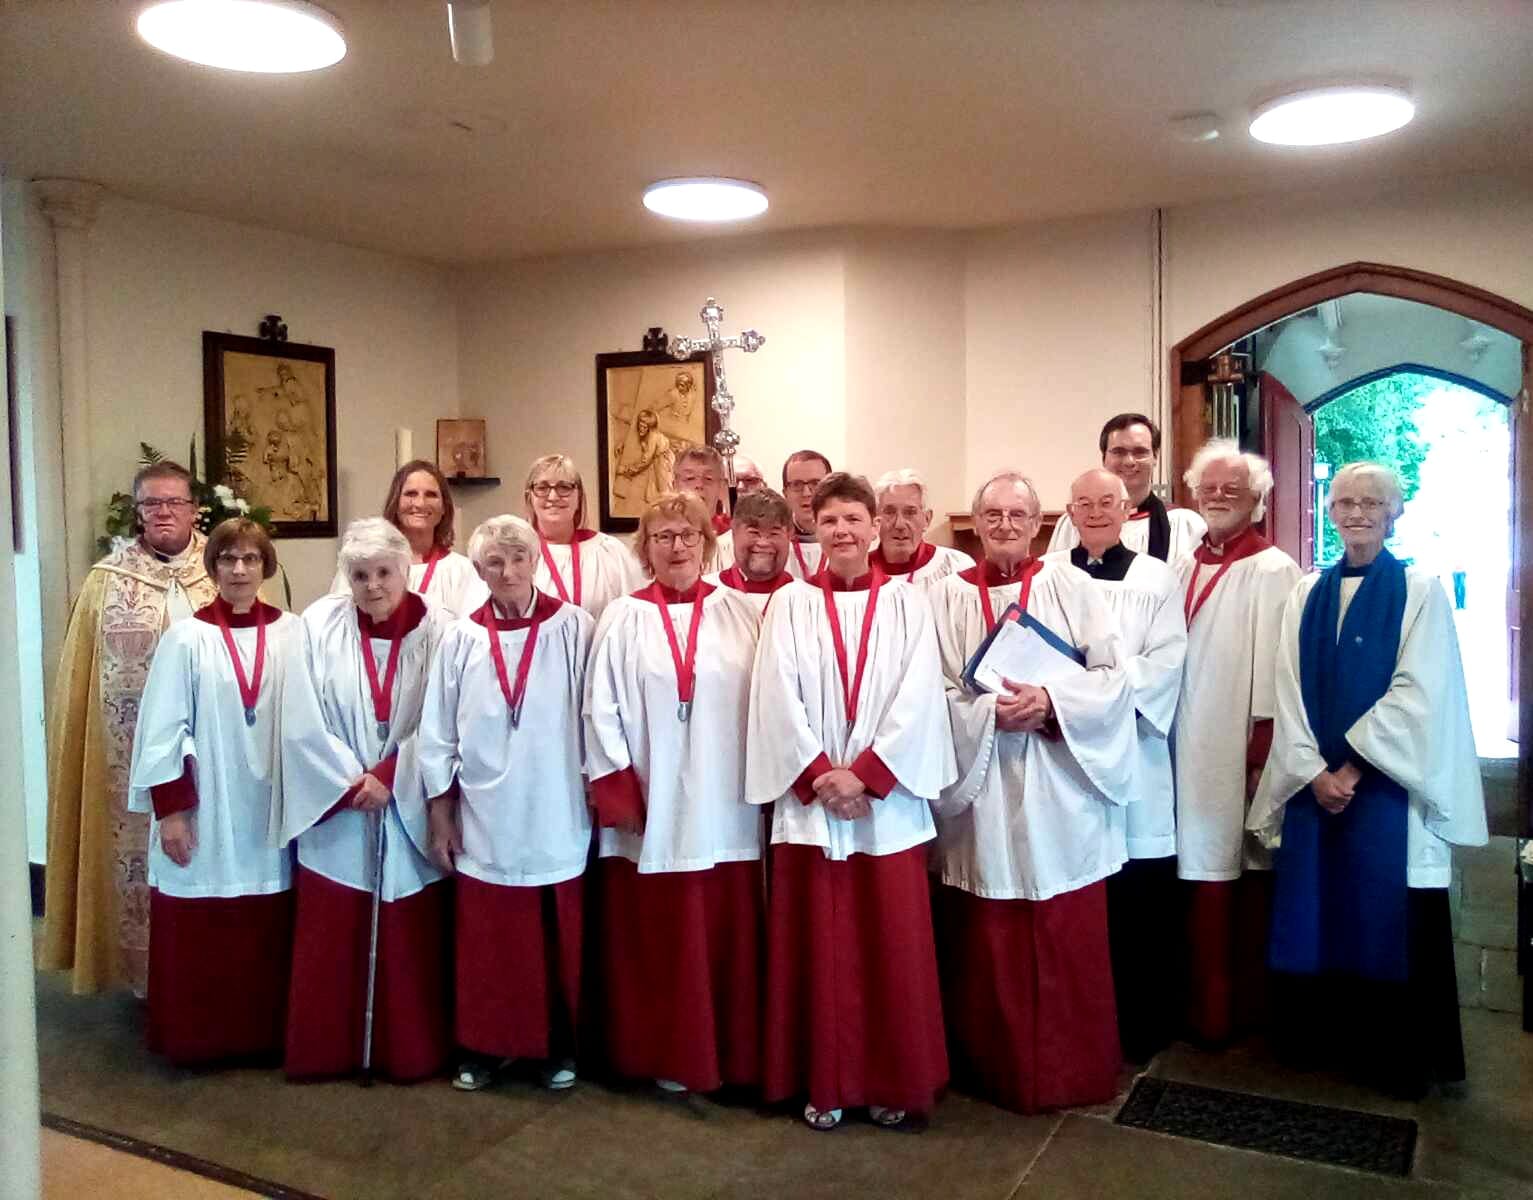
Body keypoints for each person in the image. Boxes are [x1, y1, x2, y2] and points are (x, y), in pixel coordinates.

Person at [1249, 463, 1487, 1097]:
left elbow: (1419, 691)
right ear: (1329, 512)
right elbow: (1288, 686)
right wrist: (1310, 769)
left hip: (1384, 791)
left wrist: (1351, 768)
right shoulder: (1306, 592)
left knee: (1385, 911)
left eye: (1371, 503)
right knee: (1315, 906)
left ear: (1394, 513)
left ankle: (1391, 1055)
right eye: (1344, 503)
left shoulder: (1420, 590)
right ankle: (1319, 1041)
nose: (1356, 513)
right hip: (1315, 783)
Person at [748, 472, 955, 1131]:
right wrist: (817, 774)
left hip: (883, 808)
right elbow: (774, 696)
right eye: (829, 519)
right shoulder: (789, 604)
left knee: (888, 948)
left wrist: (865, 774)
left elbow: (920, 695)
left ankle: (891, 1080)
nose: (841, 530)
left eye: (853, 519)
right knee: (819, 946)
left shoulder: (905, 603)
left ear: (873, 529)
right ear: (815, 527)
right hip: (812, 807)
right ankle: (825, 1080)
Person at [929, 470, 1136, 1113]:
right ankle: (995, 1072)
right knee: (988, 932)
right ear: (977, 522)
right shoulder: (943, 597)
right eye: (993, 515)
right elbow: (930, 693)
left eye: (1019, 515)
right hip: (983, 789)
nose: (1006, 526)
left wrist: (1052, 701)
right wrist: (985, 715)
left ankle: (1071, 1072)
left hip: (1058, 787)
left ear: (1041, 522)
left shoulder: (1070, 584)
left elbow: (1112, 677)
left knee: (1062, 925)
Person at [583, 492, 765, 1095]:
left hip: (725, 801)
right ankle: (657, 1051)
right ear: (645, 549)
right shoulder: (622, 616)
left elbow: (770, 700)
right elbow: (598, 710)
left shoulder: (740, 612)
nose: (677, 545)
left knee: (723, 929)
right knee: (655, 935)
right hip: (651, 802)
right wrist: (618, 792)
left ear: (707, 543)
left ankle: (729, 1054)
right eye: (662, 536)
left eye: (687, 534)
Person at [418, 515, 595, 1093]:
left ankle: (556, 1049)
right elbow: (438, 733)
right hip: (484, 813)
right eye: (495, 562)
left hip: (555, 805)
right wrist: (441, 813)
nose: (509, 571)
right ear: (478, 571)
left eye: (519, 559)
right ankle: (483, 1048)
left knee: (550, 936)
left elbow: (597, 718)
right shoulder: (461, 639)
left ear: (536, 562)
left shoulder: (575, 628)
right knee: (490, 942)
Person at [276, 518, 453, 1082]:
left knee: (407, 933)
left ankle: (409, 1051)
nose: (373, 585)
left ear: (406, 570)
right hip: (341, 802)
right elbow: (300, 715)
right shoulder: (317, 625)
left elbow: (446, 719)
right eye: (359, 574)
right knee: (336, 929)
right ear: (344, 576)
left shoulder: (444, 631)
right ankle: (328, 1049)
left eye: (383, 572)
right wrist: (353, 780)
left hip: (403, 798)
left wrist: (391, 774)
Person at [43, 460, 220, 996]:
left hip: (215, 748)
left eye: (174, 502)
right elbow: (80, 679)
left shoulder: (227, 566)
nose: (164, 512)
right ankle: (143, 980)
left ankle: (211, 972)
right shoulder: (106, 581)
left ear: (194, 509)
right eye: (152, 504)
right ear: (138, 513)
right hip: (126, 753)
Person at [126, 518, 296, 1064]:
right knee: (202, 909)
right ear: (214, 568)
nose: (240, 570)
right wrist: (173, 813)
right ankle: (198, 1040)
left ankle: (265, 1038)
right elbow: (161, 732)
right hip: (210, 804)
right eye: (228, 560)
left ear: (266, 566)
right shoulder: (187, 638)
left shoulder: (295, 633)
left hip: (272, 803)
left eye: (250, 559)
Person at [1045, 468, 1187, 1062]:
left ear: (1128, 508)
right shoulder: (1050, 578)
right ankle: (1078, 1024)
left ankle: (1140, 1027)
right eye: (1085, 503)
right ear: (1070, 512)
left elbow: (1167, 659)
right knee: (1079, 889)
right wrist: (1072, 703)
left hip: (1134, 752)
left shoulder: (1157, 578)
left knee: (1138, 896)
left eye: (1109, 501)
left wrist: (1100, 699)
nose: (1097, 511)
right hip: (1068, 755)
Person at [1172, 440, 1301, 1047]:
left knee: (1228, 873)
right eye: (1208, 488)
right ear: (1192, 493)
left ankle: (1223, 1015)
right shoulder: (1182, 563)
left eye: (1233, 489)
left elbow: (1281, 671)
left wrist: (1261, 757)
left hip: (1230, 744)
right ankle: (1184, 1004)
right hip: (1177, 741)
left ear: (1258, 499)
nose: (1218, 497)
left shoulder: (1273, 570)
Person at [330, 460, 488, 619]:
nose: (420, 503)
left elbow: (473, 636)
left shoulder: (463, 571)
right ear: (395, 503)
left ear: (444, 507)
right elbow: (339, 622)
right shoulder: (363, 564)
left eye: (431, 495)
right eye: (410, 494)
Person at [1048, 413, 1206, 561]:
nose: (1129, 461)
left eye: (1140, 452)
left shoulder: (1184, 525)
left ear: (1155, 457)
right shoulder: (1073, 522)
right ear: (1104, 458)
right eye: (1118, 452)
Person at [525, 454, 645, 623]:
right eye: (542, 488)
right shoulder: (516, 556)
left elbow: (635, 619)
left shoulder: (610, 552)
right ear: (529, 497)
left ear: (579, 497)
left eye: (564, 487)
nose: (552, 497)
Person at [868, 468, 974, 586]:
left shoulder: (956, 566)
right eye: (889, 512)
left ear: (927, 519)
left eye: (910, 513)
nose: (899, 524)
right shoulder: (858, 571)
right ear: (875, 520)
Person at [708, 488, 794, 612]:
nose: (763, 543)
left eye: (774, 533)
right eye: (754, 532)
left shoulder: (805, 597)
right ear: (734, 532)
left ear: (789, 535)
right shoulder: (709, 593)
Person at [673, 444, 734, 568]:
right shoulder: (662, 540)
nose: (699, 484)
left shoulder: (734, 540)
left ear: (722, 487)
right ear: (675, 485)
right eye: (690, 478)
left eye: (708, 478)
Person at [780, 450, 832, 580]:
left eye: (815, 483)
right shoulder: (776, 542)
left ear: (831, 489)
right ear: (785, 494)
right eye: (796, 484)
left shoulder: (847, 538)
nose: (806, 493)